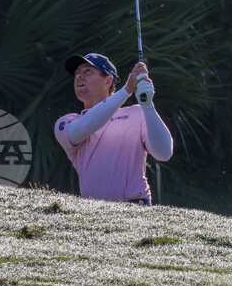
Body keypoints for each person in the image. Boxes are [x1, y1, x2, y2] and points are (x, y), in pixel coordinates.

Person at [54, 52, 173, 205]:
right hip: (91, 213)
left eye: (87, 71)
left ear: (108, 80)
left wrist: (148, 105)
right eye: (77, 73)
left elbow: (164, 153)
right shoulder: (67, 122)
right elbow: (82, 128)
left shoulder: (137, 113)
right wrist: (126, 91)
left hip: (136, 210)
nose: (79, 77)